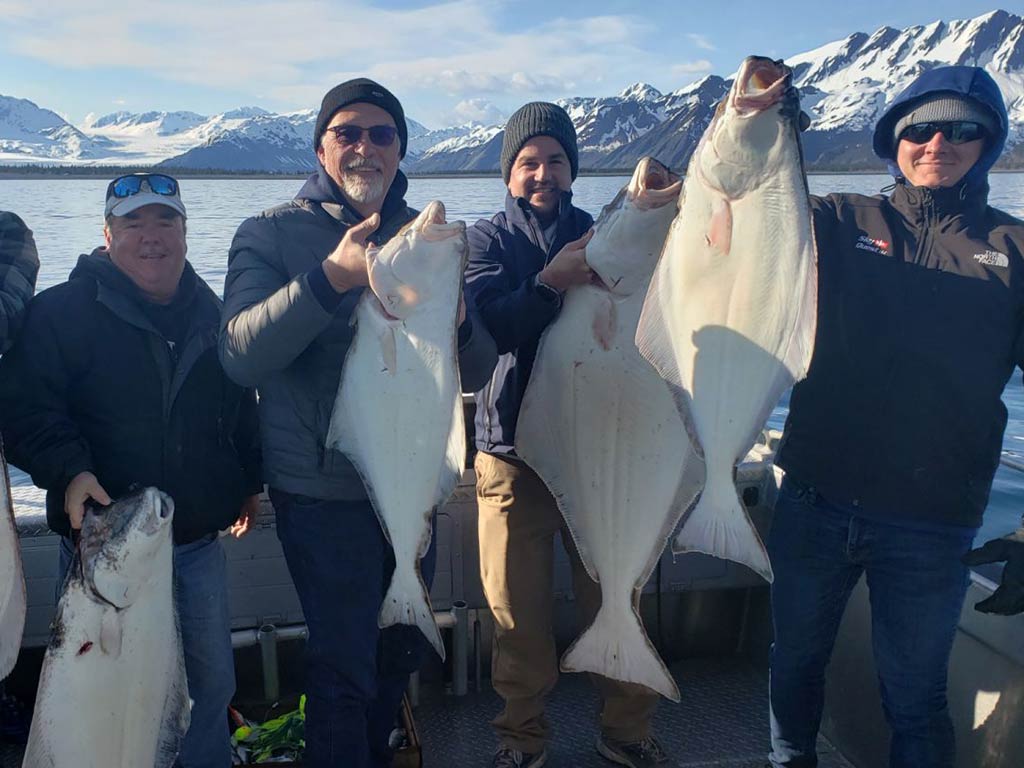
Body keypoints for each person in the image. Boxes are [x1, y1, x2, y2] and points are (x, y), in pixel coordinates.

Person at [219, 78, 497, 768]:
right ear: (321, 147)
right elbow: (240, 354)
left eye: (383, 134)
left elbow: (484, 367)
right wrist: (330, 280)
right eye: (348, 132)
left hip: (412, 485)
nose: (365, 147)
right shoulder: (270, 233)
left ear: (400, 151)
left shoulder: (422, 240)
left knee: (399, 654)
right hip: (322, 492)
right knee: (343, 665)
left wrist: (459, 326)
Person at [768, 65, 1024, 768]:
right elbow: (749, 217)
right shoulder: (837, 219)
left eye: (962, 128)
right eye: (919, 128)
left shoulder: (1015, 251)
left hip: (933, 521)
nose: (938, 141)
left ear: (989, 142)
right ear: (894, 141)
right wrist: (770, 128)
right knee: (792, 669)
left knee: (915, 699)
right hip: (815, 498)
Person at [0, 173, 262, 768]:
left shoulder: (215, 313)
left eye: (164, 221)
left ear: (185, 233)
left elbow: (237, 410)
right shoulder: (58, 314)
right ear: (107, 234)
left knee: (208, 687)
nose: (151, 237)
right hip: (102, 547)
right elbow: (22, 409)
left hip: (192, 542)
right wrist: (68, 472)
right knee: (101, 697)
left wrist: (249, 479)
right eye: (133, 223)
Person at [464, 102, 674, 768]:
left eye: (555, 160)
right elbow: (489, 328)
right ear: (509, 171)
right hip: (510, 460)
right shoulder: (486, 241)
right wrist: (550, 283)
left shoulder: (599, 230)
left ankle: (627, 731)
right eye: (529, 162)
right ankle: (520, 739)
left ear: (572, 168)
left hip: (605, 454)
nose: (542, 173)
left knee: (618, 595)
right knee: (515, 616)